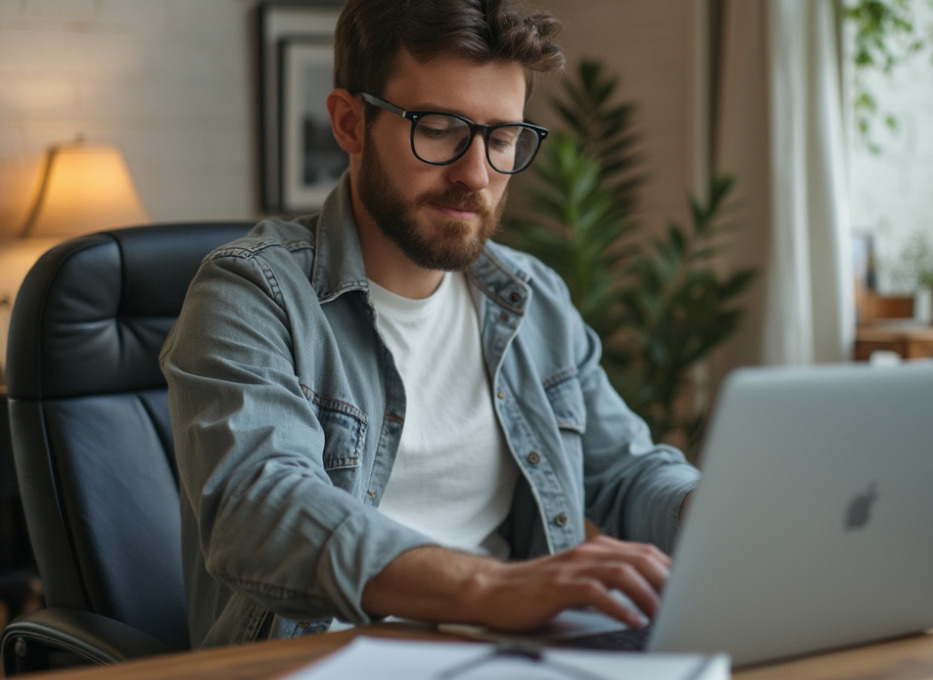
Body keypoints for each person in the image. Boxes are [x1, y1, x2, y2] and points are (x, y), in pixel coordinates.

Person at [161, 0, 700, 649]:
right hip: (315, 659)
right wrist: (490, 590)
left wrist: (715, 513)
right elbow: (261, 507)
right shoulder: (252, 293)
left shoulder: (534, 300)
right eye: (440, 128)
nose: (475, 174)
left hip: (509, 657)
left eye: (501, 139)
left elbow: (625, 474)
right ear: (349, 122)